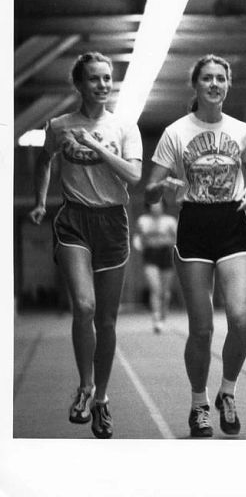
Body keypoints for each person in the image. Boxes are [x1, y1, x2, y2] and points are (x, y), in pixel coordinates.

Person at [145, 54, 246, 437]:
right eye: (207, 78)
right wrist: (163, 188)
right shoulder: (176, 132)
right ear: (195, 85)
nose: (214, 84)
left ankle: (227, 392)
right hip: (194, 225)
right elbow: (148, 192)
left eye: (220, 79)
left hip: (232, 224)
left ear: (228, 85)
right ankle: (199, 404)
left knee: (241, 320)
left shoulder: (242, 131)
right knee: (201, 329)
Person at [28, 51, 143, 439]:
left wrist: (96, 147)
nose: (103, 84)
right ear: (79, 84)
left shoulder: (124, 126)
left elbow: (133, 174)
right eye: (94, 78)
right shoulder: (59, 126)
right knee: (85, 305)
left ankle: (102, 400)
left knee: (107, 321)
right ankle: (85, 386)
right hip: (74, 219)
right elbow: (44, 161)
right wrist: (42, 200)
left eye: (107, 77)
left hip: (112, 221)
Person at [133, 199, 178, 333]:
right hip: (150, 257)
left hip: (166, 256)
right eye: (153, 205)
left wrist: (165, 240)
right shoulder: (143, 220)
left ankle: (163, 316)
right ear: (149, 206)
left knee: (165, 292)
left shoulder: (170, 221)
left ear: (163, 206)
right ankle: (156, 318)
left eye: (158, 205)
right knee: (155, 289)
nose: (155, 208)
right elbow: (137, 239)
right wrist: (141, 245)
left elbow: (176, 240)